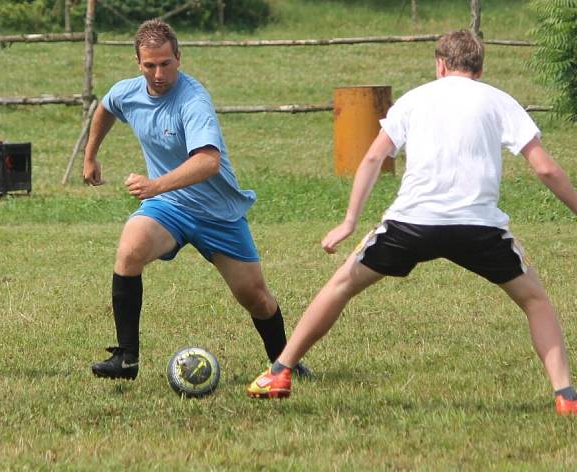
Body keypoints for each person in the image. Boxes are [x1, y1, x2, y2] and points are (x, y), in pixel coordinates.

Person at [246, 30, 577, 415]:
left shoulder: (414, 99)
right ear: (480, 68)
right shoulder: (499, 100)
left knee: (340, 286)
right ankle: (565, 396)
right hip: (479, 227)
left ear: (440, 64)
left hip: (411, 224)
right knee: (535, 300)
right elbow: (545, 169)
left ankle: (280, 373)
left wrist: (350, 220)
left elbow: (372, 160)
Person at [83, 18, 309, 380]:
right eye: (150, 65)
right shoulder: (128, 92)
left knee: (255, 297)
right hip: (170, 207)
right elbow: (106, 107)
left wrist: (156, 185)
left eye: (166, 63)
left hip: (218, 213)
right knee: (130, 249)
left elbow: (208, 161)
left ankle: (286, 363)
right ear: (138, 64)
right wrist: (90, 155)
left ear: (179, 57)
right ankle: (126, 358)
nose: (158, 73)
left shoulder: (193, 100)